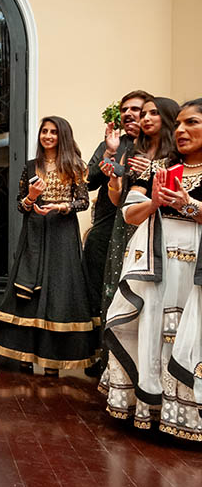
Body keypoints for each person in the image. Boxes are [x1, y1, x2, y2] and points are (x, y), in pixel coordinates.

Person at [104, 98, 202, 441]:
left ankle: (190, 415)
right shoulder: (157, 168)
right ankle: (152, 410)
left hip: (196, 270)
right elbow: (129, 214)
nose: (181, 130)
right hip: (157, 265)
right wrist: (155, 202)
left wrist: (190, 205)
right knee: (155, 329)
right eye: (179, 124)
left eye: (192, 123)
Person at [0, 116, 98, 376]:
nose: (48, 136)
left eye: (53, 132)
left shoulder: (75, 166)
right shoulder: (31, 166)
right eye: (44, 131)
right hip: (35, 233)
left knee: (60, 291)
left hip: (62, 234)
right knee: (28, 291)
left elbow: (82, 202)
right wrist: (32, 197)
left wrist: (60, 207)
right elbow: (20, 205)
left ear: (62, 135)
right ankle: (25, 356)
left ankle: (54, 361)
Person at [100, 97, 179, 322]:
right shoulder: (135, 151)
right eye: (143, 114)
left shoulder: (178, 153)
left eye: (152, 113)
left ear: (168, 117)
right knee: (120, 285)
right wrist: (114, 180)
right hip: (126, 224)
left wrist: (154, 169)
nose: (145, 118)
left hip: (161, 228)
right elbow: (118, 199)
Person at [83, 90, 150, 318]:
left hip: (143, 228)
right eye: (124, 110)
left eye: (135, 109)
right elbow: (88, 182)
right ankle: (96, 346)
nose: (128, 113)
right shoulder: (113, 143)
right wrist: (110, 152)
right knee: (97, 286)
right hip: (106, 224)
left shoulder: (157, 146)